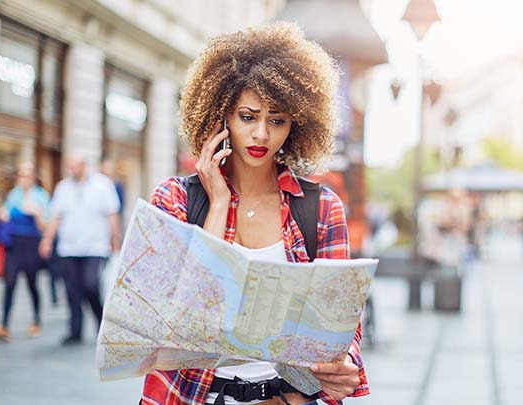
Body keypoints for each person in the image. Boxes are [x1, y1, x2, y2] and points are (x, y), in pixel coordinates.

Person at [140, 23, 368, 405]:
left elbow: (341, 322)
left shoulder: (322, 207)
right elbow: (175, 316)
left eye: (277, 120)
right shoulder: (176, 199)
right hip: (191, 396)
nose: (261, 134)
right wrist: (216, 204)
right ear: (221, 116)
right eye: (248, 117)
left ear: (296, 123)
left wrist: (338, 367)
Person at [39, 154, 121, 345]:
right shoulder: (63, 188)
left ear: (84, 165)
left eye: (74, 166)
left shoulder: (102, 185)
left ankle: (102, 325)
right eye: (69, 167)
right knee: (72, 290)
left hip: (95, 246)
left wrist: (114, 239)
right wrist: (47, 240)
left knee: (90, 285)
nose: (70, 170)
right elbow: (56, 217)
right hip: (68, 247)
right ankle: (75, 331)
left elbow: (112, 214)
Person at [0, 162, 51, 342]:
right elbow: (5, 214)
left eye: (27, 175)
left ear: (33, 178)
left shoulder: (41, 196)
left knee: (32, 284)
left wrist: (37, 213)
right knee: (10, 283)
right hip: (14, 244)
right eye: (21, 175)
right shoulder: (14, 194)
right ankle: (4, 325)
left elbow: (45, 226)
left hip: (31, 244)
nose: (23, 179)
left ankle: (36, 321)